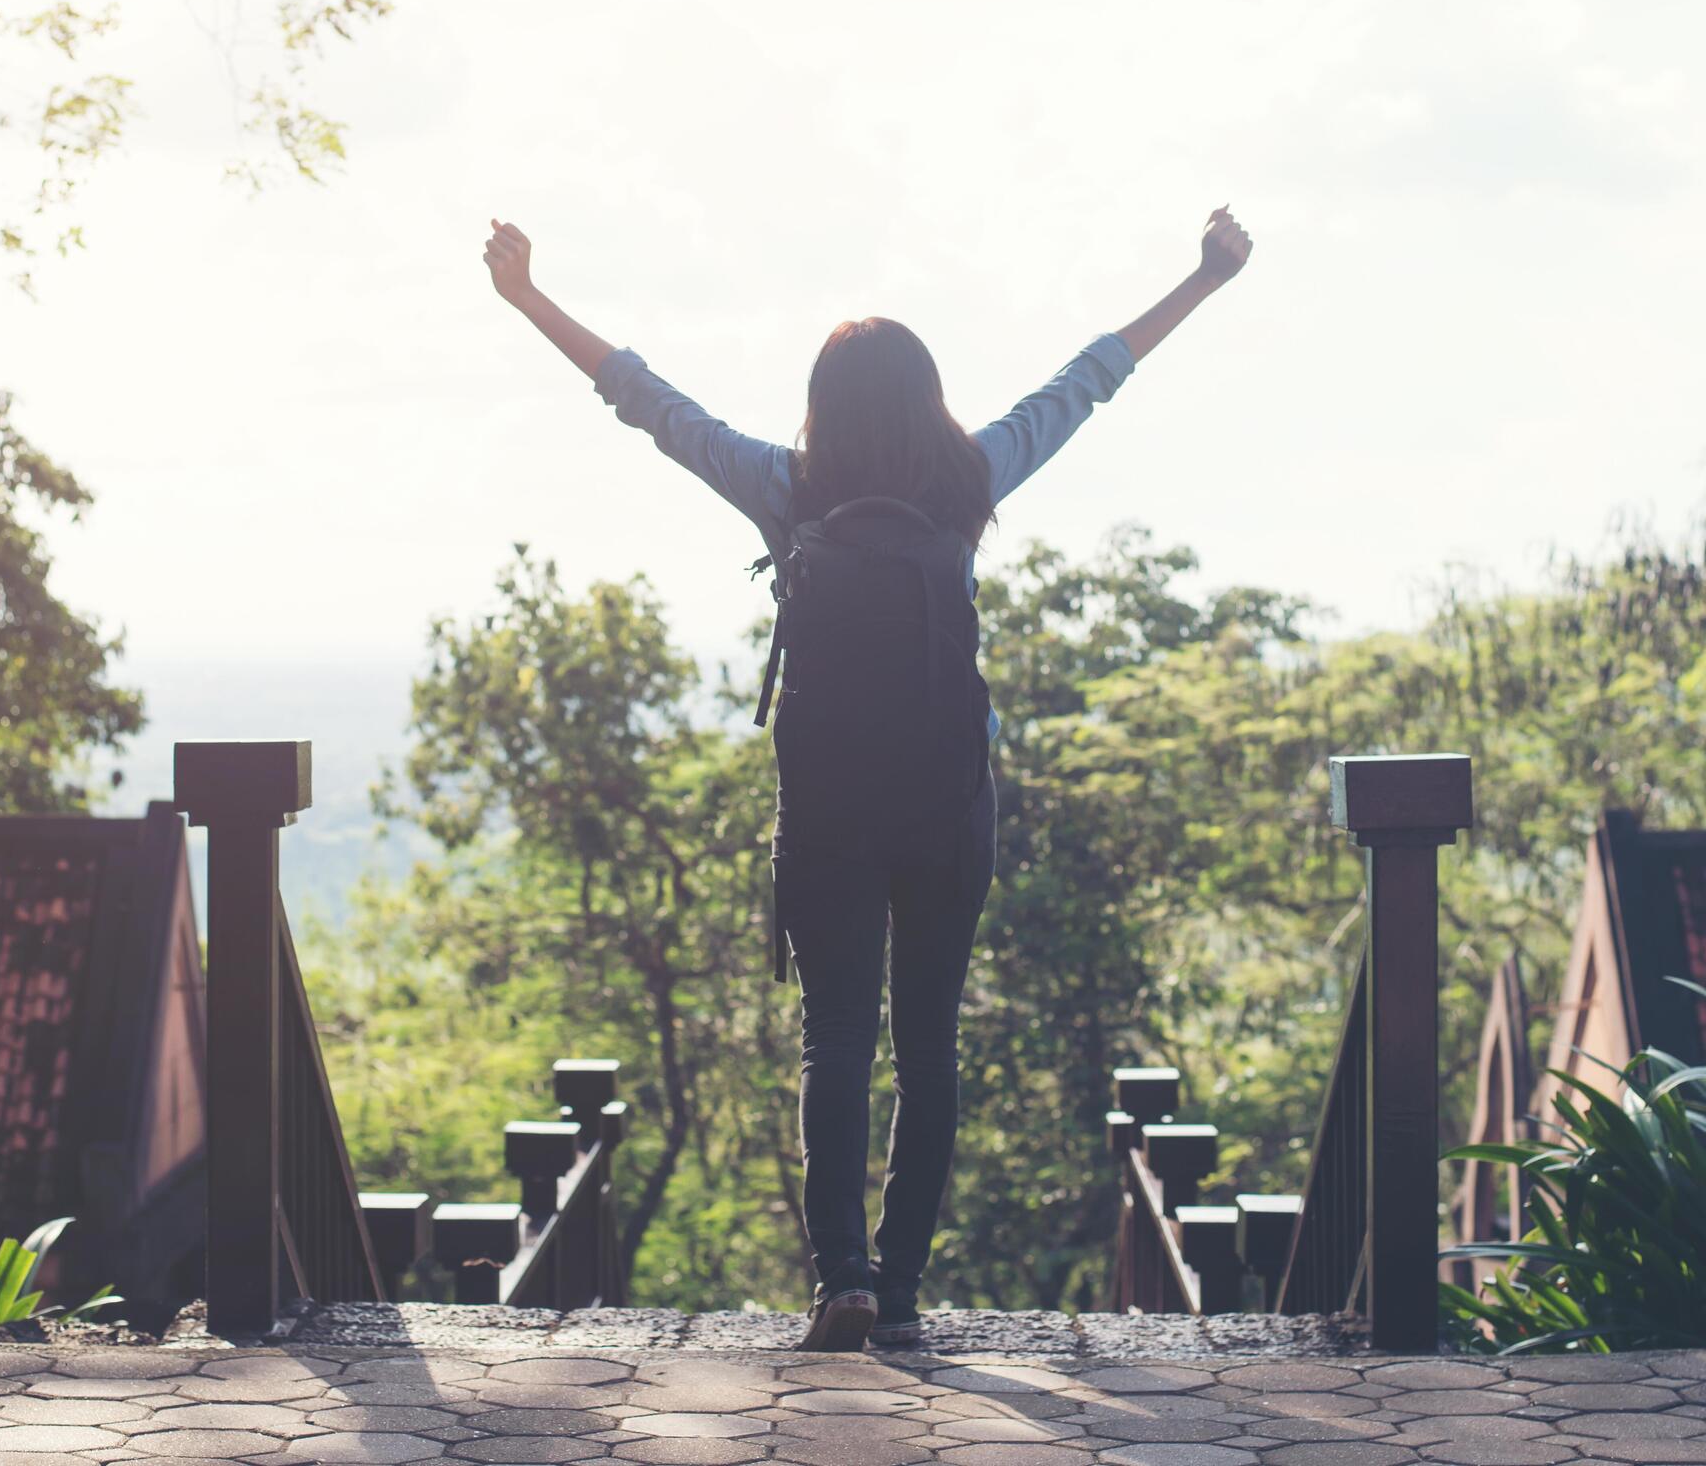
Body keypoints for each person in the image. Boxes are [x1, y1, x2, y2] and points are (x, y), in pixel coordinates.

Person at [481, 207, 1255, 1349]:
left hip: (830, 809)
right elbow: (1087, 380)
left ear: (823, 402)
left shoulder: (789, 489)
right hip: (949, 806)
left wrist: (529, 297)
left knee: (835, 1039)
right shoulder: (969, 476)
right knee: (928, 1044)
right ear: (928, 393)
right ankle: (897, 1283)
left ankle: (840, 1275)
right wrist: (1205, 279)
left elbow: (649, 402)